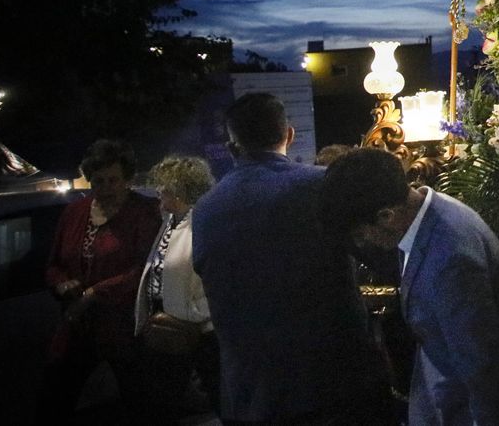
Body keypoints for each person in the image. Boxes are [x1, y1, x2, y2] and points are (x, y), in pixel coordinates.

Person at [320, 147, 499, 426]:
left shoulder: (450, 258)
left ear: (386, 216)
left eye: (360, 234)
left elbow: (483, 370)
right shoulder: (433, 209)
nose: (361, 244)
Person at [193, 92, 382, 425]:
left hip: (250, 392)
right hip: (330, 384)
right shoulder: (322, 186)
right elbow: (378, 250)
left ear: (232, 146)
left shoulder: (207, 207)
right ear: (289, 135)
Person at [37, 138, 159, 424]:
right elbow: (54, 263)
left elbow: (146, 268)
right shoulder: (74, 213)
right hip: (78, 325)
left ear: (128, 179)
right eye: (98, 181)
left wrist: (93, 293)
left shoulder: (144, 212)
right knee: (54, 397)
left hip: (125, 327)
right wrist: (61, 283)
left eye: (113, 180)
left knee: (140, 403)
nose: (105, 189)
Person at [132, 154, 218, 416]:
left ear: (180, 189)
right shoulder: (170, 221)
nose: (158, 191)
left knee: (214, 394)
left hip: (195, 331)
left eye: (164, 186)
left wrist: (197, 312)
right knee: (165, 399)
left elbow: (214, 276)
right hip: (168, 325)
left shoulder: (203, 223)